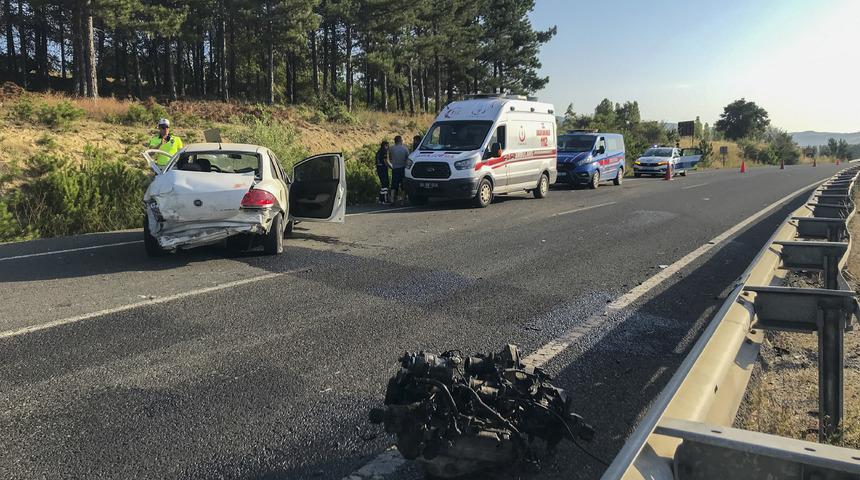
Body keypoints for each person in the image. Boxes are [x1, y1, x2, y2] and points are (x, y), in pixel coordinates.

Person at [389, 135, 410, 205]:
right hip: (403, 168)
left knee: (394, 185)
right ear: (401, 140)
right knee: (403, 185)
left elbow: (390, 157)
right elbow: (408, 159)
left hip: (395, 168)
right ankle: (402, 201)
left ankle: (392, 199)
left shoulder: (391, 148)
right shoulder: (405, 149)